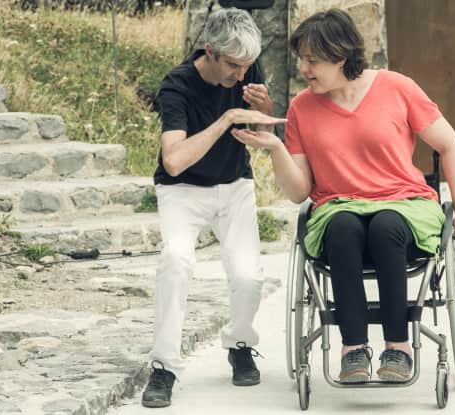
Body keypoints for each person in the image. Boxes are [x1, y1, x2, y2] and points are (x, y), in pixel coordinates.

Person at [231, 8, 455, 384]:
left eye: (312, 61)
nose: (304, 69)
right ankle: (354, 349)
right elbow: (300, 191)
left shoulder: (398, 88)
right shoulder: (302, 109)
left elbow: (450, 145)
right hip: (338, 209)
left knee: (386, 226)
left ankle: (398, 346)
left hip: (404, 205)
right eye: (301, 60)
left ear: (341, 56)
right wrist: (276, 149)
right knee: (344, 227)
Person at [141, 7, 286, 408]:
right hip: (182, 191)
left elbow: (258, 129)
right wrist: (224, 120)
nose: (241, 75)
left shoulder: (246, 70)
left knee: (248, 276)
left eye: (248, 67)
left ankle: (240, 344)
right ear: (210, 50)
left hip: (234, 186)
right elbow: (174, 160)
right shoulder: (177, 85)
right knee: (175, 260)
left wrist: (264, 107)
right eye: (234, 66)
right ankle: (163, 368)